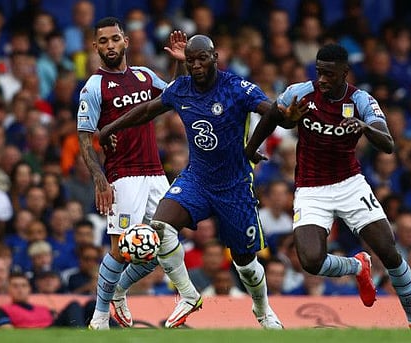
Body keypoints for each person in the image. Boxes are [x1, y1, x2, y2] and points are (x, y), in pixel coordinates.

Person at [98, 34, 296, 329]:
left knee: (245, 263)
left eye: (202, 59)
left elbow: (272, 112)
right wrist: (109, 128)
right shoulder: (182, 89)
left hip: (234, 185)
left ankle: (262, 309)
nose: (196, 65)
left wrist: (288, 118)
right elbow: (149, 109)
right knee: (161, 226)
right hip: (197, 179)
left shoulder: (237, 88)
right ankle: (188, 294)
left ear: (215, 57)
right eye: (190, 61)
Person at [245, 43, 411, 329]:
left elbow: (388, 144)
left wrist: (365, 128)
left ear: (345, 72)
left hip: (350, 185)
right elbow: (272, 117)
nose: (323, 79)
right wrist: (250, 150)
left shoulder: (362, 100)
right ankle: (357, 266)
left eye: (329, 74)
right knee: (310, 261)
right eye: (319, 72)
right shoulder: (301, 93)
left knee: (389, 251)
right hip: (311, 189)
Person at [76, 17, 188, 330]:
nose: (110, 45)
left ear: (125, 40)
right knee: (120, 249)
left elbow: (170, 100)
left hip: (155, 173)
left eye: (114, 39)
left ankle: (120, 291)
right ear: (96, 46)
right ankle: (100, 316)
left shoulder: (145, 75)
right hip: (122, 176)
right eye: (103, 41)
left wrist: (178, 64)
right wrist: (100, 179)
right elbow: (84, 136)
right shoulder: (94, 87)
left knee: (158, 246)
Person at [0, 271, 94, 328]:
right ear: (8, 289)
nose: (20, 290)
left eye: (23, 286)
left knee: (92, 304)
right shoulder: (3, 310)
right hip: (38, 335)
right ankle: (81, 336)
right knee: (74, 305)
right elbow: (8, 332)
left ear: (29, 289)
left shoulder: (44, 309)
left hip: (54, 331)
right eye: (15, 286)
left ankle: (107, 336)